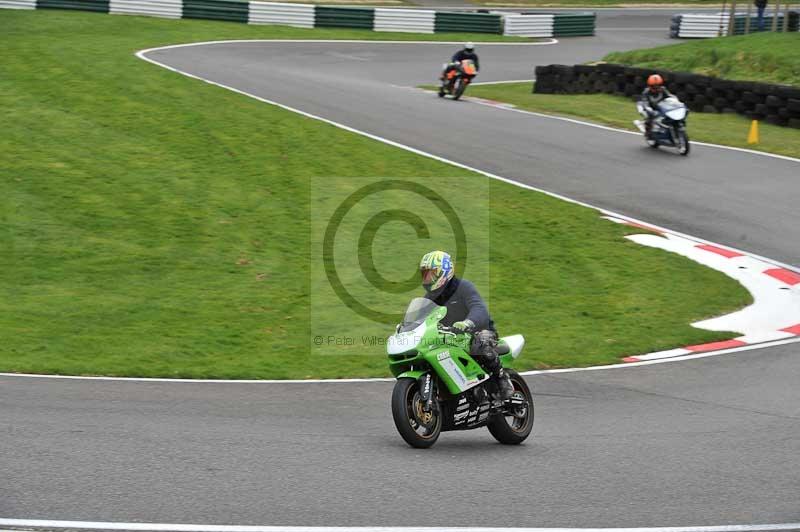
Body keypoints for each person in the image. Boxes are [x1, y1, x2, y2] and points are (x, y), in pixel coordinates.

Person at [418, 250, 514, 400]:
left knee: (479, 343)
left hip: (478, 331)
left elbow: (479, 308)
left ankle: (502, 378)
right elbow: (419, 318)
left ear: (444, 272)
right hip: (451, 337)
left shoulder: (463, 287)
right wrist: (406, 328)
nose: (427, 278)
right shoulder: (430, 297)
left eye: (431, 274)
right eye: (424, 274)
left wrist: (467, 323)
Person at [637, 74, 674, 138]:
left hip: (660, 106)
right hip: (648, 106)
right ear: (650, 86)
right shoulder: (646, 92)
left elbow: (669, 96)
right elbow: (645, 102)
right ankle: (647, 131)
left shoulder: (663, 89)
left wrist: (674, 100)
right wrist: (648, 108)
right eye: (654, 86)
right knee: (649, 114)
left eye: (658, 85)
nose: (656, 88)